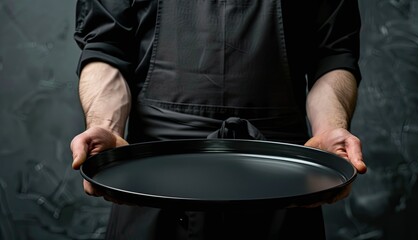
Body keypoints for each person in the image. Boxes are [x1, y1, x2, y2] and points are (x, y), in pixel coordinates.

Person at [70, 0, 367, 239]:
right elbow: (106, 48)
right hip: (151, 183)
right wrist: (106, 125)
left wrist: (331, 127)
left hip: (283, 183)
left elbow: (333, 55)